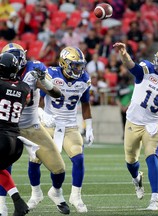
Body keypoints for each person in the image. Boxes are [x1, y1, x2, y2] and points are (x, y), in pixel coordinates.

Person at [1, 43, 69, 215]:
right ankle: (2, 203)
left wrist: (44, 80)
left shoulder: (33, 71)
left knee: (59, 167)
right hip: (8, 127)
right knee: (2, 164)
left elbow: (56, 93)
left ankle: (56, 193)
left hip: (31, 127)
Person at [113, 42, 158, 210]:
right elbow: (131, 66)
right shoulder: (147, 69)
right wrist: (124, 53)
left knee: (152, 157)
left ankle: (155, 200)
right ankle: (136, 177)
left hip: (152, 124)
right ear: (157, 61)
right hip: (133, 121)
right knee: (130, 161)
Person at [39, 46, 94, 213]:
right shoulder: (51, 74)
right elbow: (39, 99)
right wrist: (41, 114)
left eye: (80, 65)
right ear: (64, 63)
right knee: (36, 160)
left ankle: (75, 196)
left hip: (70, 126)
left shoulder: (84, 79)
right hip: (49, 124)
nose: (79, 69)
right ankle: (37, 193)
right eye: (75, 65)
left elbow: (85, 104)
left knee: (78, 158)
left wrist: (89, 126)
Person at [0, 52, 31, 216]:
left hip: (2, 139)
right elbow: (28, 100)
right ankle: (18, 203)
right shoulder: (25, 87)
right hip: (17, 142)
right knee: (1, 170)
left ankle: (17, 202)